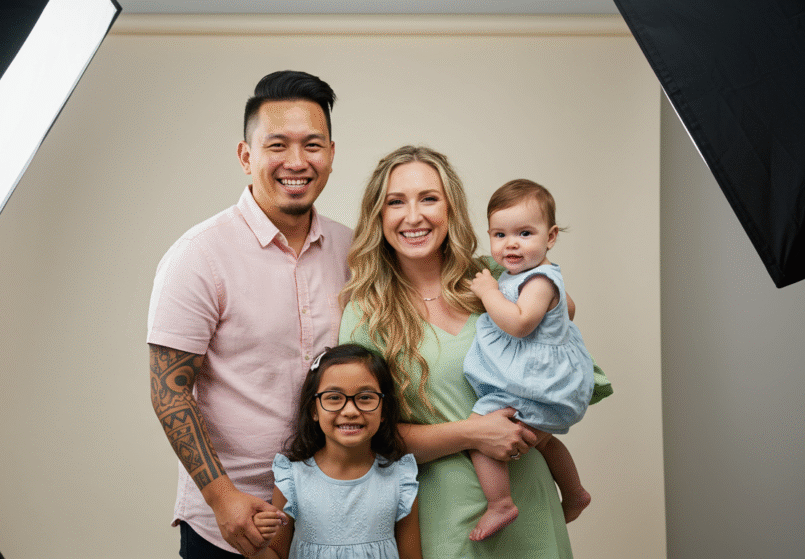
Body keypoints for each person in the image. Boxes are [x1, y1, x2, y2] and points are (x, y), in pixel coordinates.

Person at [340, 145, 612, 558]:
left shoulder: (497, 276)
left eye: (429, 198)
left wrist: (540, 424)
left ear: (450, 208)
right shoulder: (365, 315)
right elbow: (364, 436)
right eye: (396, 202)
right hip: (446, 518)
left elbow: (561, 350)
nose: (413, 216)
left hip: (532, 503)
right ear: (378, 215)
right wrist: (473, 433)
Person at [146, 70, 351, 558]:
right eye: (277, 145)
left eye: (312, 145)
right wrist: (222, 498)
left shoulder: (353, 249)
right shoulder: (199, 254)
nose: (296, 162)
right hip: (234, 523)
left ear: (331, 154)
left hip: (333, 515)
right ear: (246, 156)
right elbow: (169, 391)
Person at [463, 179, 594, 541]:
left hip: (536, 380)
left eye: (524, 233)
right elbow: (569, 309)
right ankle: (575, 492)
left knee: (480, 427)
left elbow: (520, 324)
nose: (511, 243)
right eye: (500, 235)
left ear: (550, 237)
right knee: (544, 441)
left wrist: (489, 293)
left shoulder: (538, 280)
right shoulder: (532, 276)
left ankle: (500, 503)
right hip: (545, 379)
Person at [250, 344, 422, 559]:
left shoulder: (400, 479)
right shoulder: (291, 479)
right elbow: (276, 554)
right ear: (314, 410)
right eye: (333, 397)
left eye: (365, 397)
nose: (350, 411)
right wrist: (256, 545)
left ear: (384, 409)